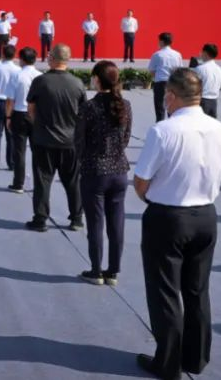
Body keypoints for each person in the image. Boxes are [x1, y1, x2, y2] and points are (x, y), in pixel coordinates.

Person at [133, 68, 221, 380]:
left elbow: (141, 180)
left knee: (165, 291)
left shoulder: (163, 130)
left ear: (171, 96)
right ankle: (195, 357)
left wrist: (151, 197)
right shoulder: (219, 129)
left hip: (168, 216)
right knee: (197, 289)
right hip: (205, 215)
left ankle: (168, 362)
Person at [74, 61, 132, 286]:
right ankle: (113, 270)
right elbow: (125, 138)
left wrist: (84, 160)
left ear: (97, 79)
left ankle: (96, 270)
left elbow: (79, 140)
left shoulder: (89, 107)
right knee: (117, 223)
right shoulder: (125, 105)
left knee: (95, 223)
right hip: (119, 170)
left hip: (95, 171)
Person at [25, 43, 87, 232]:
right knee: (73, 181)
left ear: (52, 58)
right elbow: (82, 114)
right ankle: (77, 218)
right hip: (70, 141)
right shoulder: (77, 83)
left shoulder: (40, 81)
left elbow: (31, 110)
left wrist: (39, 126)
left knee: (42, 181)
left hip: (44, 140)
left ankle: (40, 219)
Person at [6, 46, 41, 193]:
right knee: (37, 151)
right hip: (36, 116)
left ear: (21, 59)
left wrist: (8, 117)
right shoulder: (40, 76)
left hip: (19, 114)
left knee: (19, 151)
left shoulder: (17, 75)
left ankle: (18, 184)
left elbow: (10, 100)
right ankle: (39, 184)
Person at [147, 32, 183, 122]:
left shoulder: (157, 55)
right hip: (173, 84)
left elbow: (151, 71)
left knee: (160, 110)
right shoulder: (177, 54)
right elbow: (179, 70)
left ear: (162, 42)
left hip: (160, 84)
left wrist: (157, 78)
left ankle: (160, 128)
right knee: (172, 110)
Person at [193, 44, 221, 119]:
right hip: (214, 101)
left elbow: (193, 85)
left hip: (202, 101)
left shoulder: (200, 69)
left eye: (202, 52)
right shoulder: (219, 69)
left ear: (205, 53)